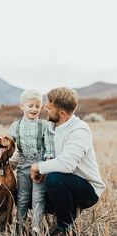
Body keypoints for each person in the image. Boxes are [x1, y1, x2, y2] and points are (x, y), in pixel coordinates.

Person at [30, 87, 106, 236]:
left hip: (87, 189)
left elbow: (66, 164)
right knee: (25, 192)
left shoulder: (79, 130)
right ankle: (63, 212)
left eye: (49, 107)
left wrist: (38, 167)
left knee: (55, 179)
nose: (45, 108)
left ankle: (64, 227)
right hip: (63, 183)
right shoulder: (50, 126)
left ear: (62, 114)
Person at [8, 89, 55, 234]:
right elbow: (8, 145)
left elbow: (49, 147)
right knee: (22, 197)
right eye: (30, 105)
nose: (34, 109)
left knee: (38, 197)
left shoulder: (44, 125)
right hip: (23, 164)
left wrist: (46, 165)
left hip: (39, 164)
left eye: (37, 106)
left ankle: (36, 226)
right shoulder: (16, 126)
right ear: (22, 106)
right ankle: (20, 226)